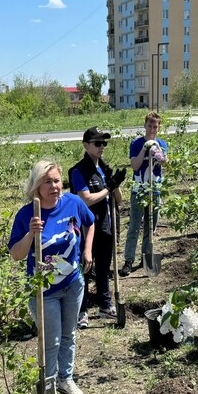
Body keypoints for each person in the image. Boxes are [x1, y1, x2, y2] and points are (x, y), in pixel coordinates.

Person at [9, 160, 94, 394]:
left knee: (69, 334)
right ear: (36, 185)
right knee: (51, 340)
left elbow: (91, 222)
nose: (54, 186)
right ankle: (48, 386)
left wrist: (87, 250)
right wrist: (30, 233)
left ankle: (65, 380)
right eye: (47, 182)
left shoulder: (73, 203)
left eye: (57, 180)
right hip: (43, 290)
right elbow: (16, 255)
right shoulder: (27, 214)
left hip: (73, 284)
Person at [68, 128, 127, 328]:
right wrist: (107, 188)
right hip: (87, 228)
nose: (102, 147)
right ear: (86, 145)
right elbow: (86, 200)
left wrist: (115, 183)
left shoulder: (103, 168)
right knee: (85, 268)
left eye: (104, 143)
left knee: (103, 269)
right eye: (97, 143)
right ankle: (81, 310)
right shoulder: (79, 171)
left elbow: (119, 199)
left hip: (107, 226)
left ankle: (105, 305)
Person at [121, 111, 168, 276]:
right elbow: (134, 166)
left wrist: (159, 153)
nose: (152, 129)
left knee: (151, 225)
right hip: (139, 190)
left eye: (155, 126)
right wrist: (144, 148)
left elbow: (165, 163)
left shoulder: (161, 143)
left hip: (155, 190)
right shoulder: (136, 143)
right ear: (145, 126)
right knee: (134, 225)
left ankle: (146, 257)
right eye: (150, 126)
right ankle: (128, 260)